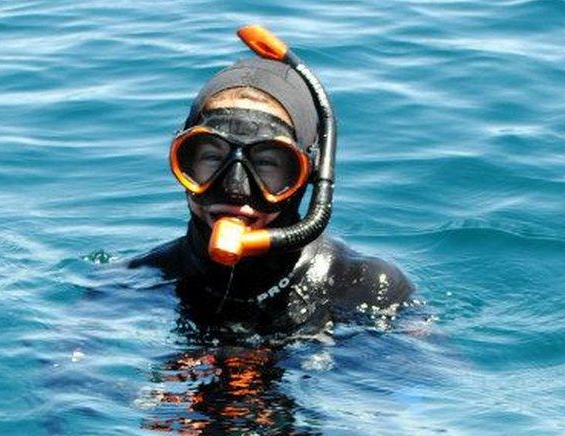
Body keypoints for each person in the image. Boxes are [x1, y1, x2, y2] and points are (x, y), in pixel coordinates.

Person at [129, 26, 413, 337]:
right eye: (212, 158)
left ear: (305, 176)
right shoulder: (140, 283)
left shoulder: (366, 288)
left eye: (265, 163)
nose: (235, 188)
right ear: (185, 164)